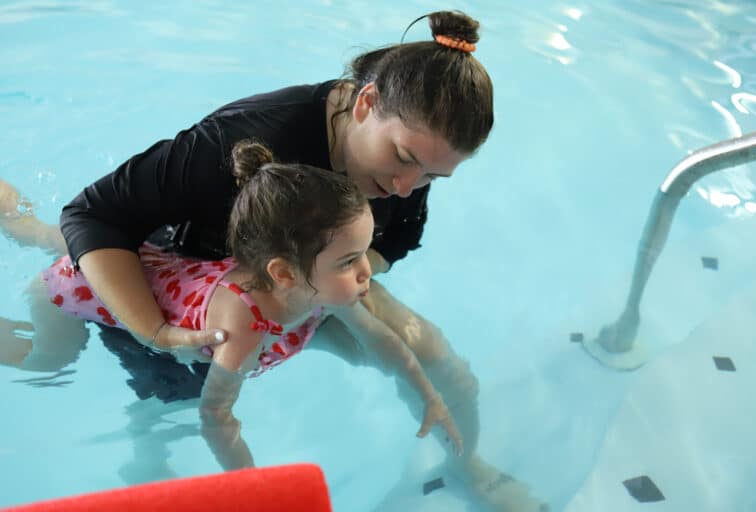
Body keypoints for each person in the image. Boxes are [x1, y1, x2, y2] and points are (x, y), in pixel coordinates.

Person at [56, 10, 547, 510]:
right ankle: (146, 464)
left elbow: (400, 238)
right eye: (403, 159)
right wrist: (154, 332)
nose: (405, 189)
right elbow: (91, 215)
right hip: (189, 277)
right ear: (366, 103)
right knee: (173, 400)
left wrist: (329, 283)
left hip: (306, 277)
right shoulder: (238, 139)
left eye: (430, 179)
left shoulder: (412, 153)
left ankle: (466, 463)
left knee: (439, 360)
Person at [0, 141, 463, 469]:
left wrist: (428, 394)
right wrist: (251, 485)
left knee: (42, 235)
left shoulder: (319, 284)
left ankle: (9, 207)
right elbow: (216, 416)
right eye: (349, 260)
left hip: (148, 259)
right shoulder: (243, 326)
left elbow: (381, 341)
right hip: (77, 288)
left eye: (363, 253)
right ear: (283, 274)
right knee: (48, 361)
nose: (368, 271)